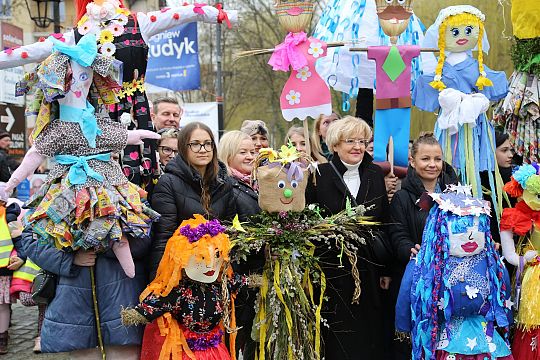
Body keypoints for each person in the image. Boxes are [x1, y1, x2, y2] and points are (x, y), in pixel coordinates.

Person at [305, 116, 390, 360]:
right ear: (334, 145)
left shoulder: (375, 173)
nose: (358, 147)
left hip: (370, 272)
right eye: (350, 141)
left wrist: (385, 269)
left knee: (369, 336)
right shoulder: (318, 176)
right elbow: (310, 223)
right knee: (339, 339)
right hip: (333, 272)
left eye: (362, 141)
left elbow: (383, 221)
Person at [388, 133, 458, 359]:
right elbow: (397, 233)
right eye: (425, 158)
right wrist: (410, 248)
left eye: (437, 159)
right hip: (419, 279)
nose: (432, 164)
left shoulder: (456, 194)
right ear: (412, 161)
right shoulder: (402, 197)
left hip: (452, 279)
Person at [150, 122, 237, 279]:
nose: (203, 150)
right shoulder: (168, 182)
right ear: (183, 148)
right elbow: (163, 238)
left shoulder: (225, 183)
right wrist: (159, 280)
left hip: (215, 272)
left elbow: (230, 231)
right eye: (195, 144)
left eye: (207, 144)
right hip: (182, 273)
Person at [218, 130, 261, 360]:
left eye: (252, 151)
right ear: (228, 154)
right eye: (242, 152)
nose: (249, 156)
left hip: (256, 276)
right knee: (239, 341)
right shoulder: (228, 187)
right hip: (241, 278)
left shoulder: (255, 184)